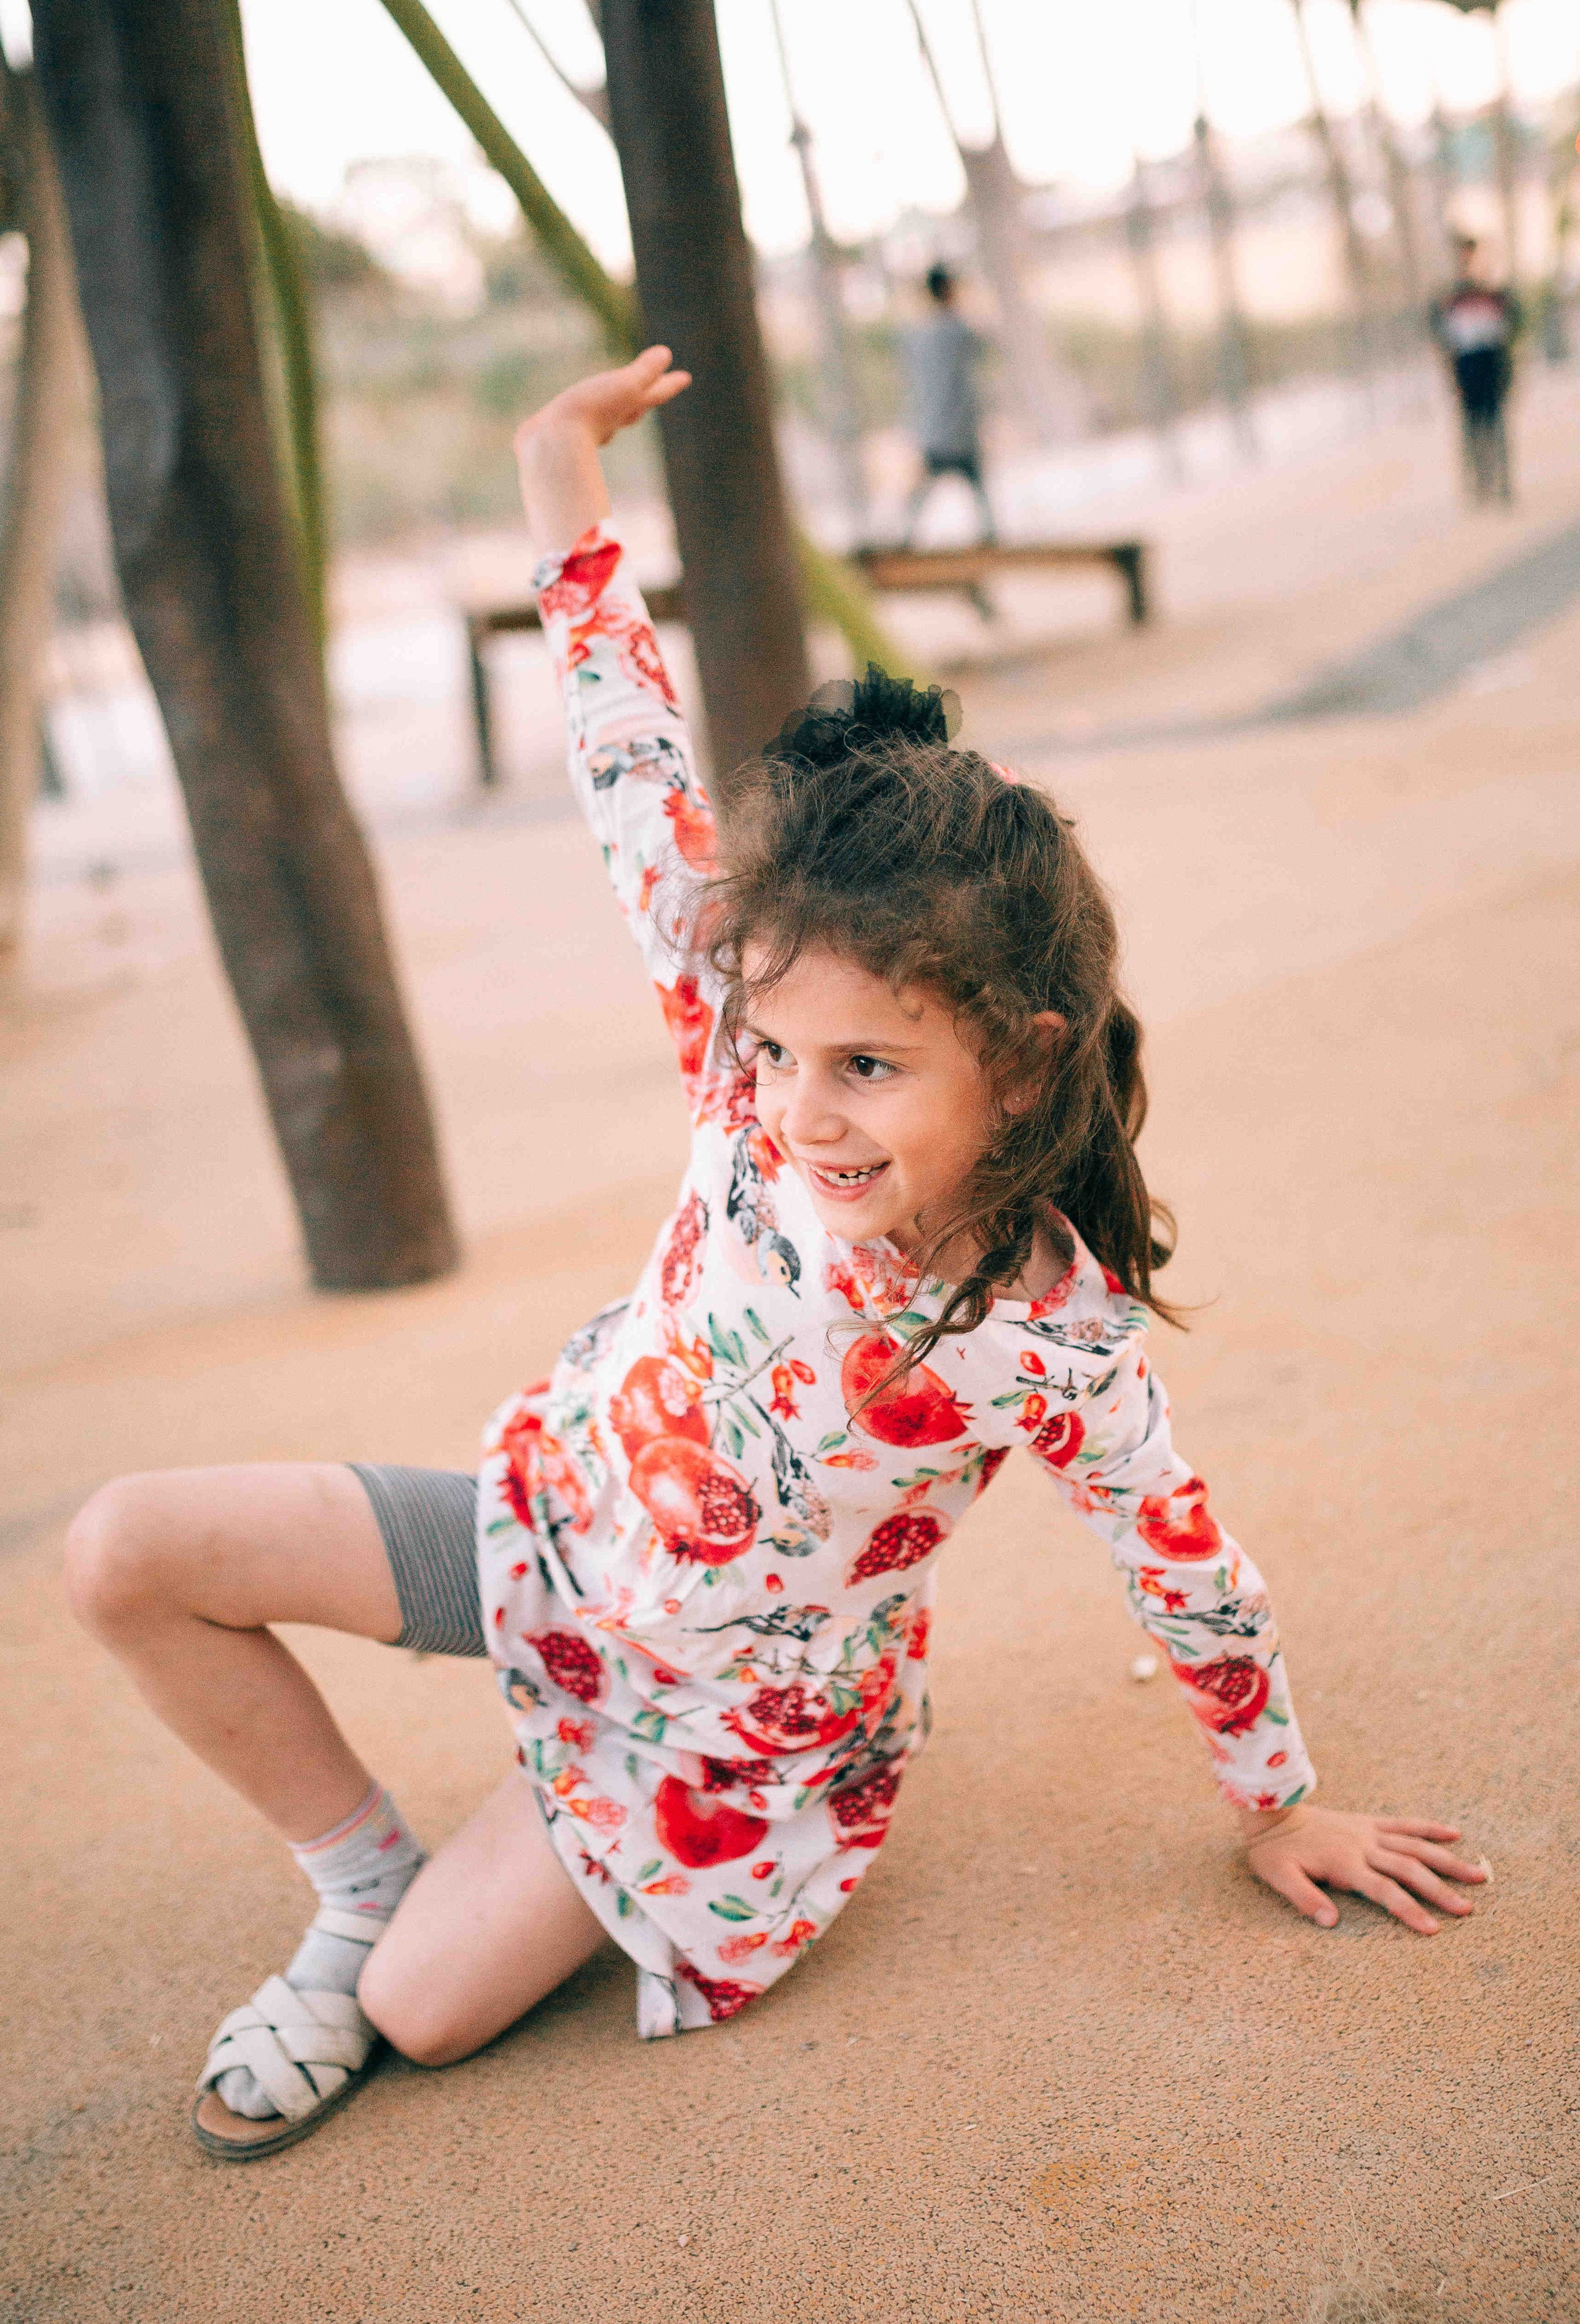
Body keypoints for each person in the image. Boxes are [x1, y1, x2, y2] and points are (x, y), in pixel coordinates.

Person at [64, 349, 1490, 2161]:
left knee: (421, 2016)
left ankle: (502, 1853)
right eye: (777, 1050)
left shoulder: (1040, 1324)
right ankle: (359, 1876)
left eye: (870, 1066)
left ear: (1027, 1050)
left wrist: (1278, 1803)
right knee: (127, 1550)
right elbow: (630, 765)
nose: (801, 1112)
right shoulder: (743, 1072)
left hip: (720, 1722)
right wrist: (558, 487)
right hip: (546, 1531)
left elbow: (1185, 1562)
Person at [901, 263, 996, 544]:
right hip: (959, 430)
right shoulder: (959, 331)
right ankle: (989, 538)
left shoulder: (920, 335)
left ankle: (906, 539)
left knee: (922, 495)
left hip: (935, 429)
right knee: (976, 493)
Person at [1431, 237, 1522, 505]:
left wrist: (1509, 367)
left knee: (1497, 426)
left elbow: (1513, 327)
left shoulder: (1497, 294)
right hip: (1466, 369)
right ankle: (1481, 483)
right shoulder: (1449, 298)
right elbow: (1441, 336)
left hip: (1492, 366)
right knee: (1472, 428)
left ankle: (1503, 483)